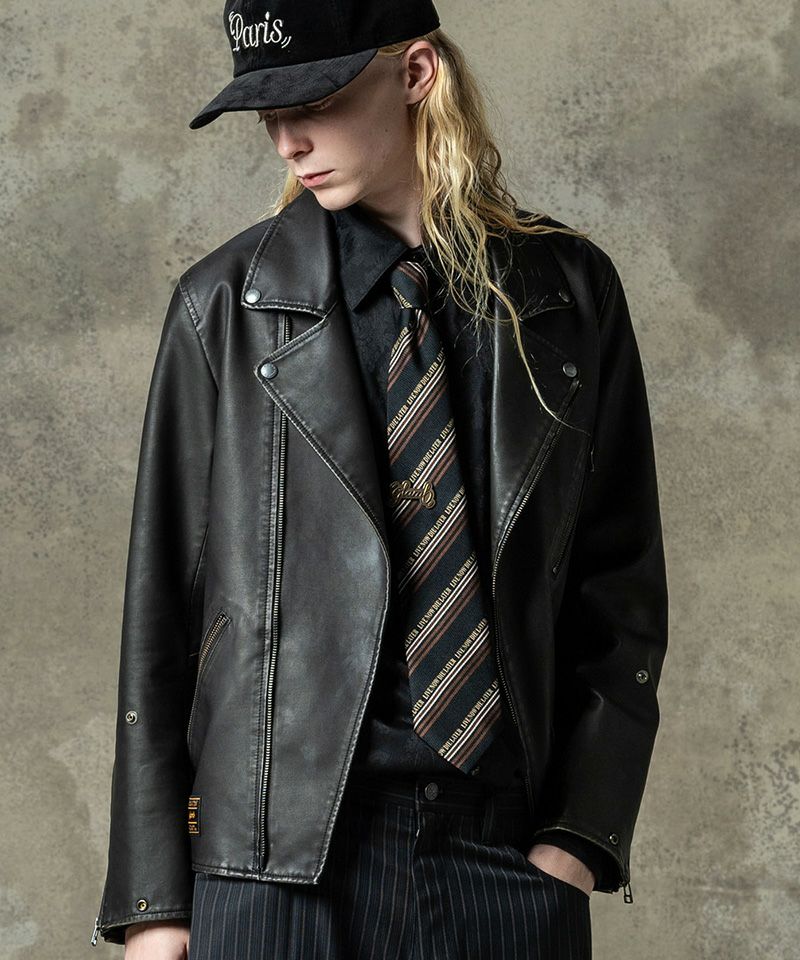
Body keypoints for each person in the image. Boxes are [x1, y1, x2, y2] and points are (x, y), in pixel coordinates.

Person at [91, 0, 669, 957]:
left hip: (503, 859)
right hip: (272, 874)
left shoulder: (568, 294)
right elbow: (162, 613)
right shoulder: (223, 308)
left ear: (416, 74)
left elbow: (621, 585)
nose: (289, 141)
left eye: (315, 102)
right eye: (267, 115)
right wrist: (155, 904)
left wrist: (577, 837)